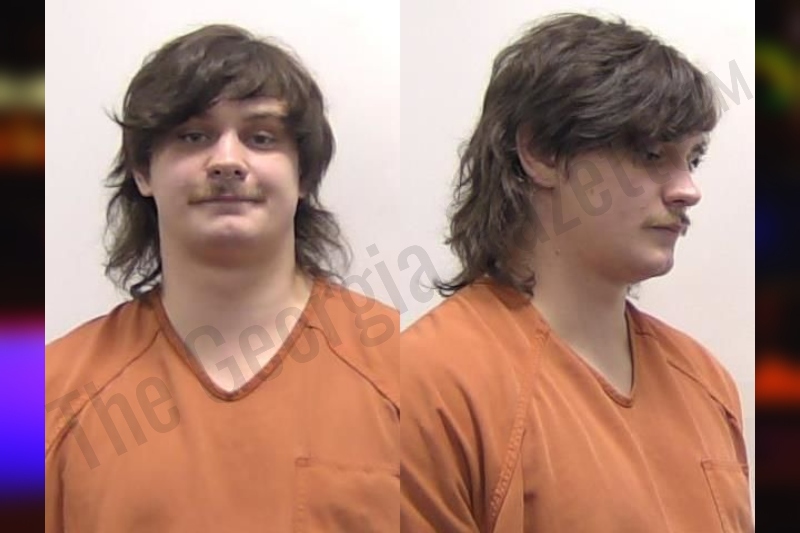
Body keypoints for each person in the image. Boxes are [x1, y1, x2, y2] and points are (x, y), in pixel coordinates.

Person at [401, 12, 753, 533]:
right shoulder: (431, 387)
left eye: (693, 160)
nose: (688, 189)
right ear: (541, 152)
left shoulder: (706, 382)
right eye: (651, 154)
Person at [45, 24, 398, 532]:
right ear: (143, 172)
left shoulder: (403, 370)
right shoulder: (33, 397)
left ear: (302, 176)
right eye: (194, 136)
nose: (228, 161)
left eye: (261, 137)